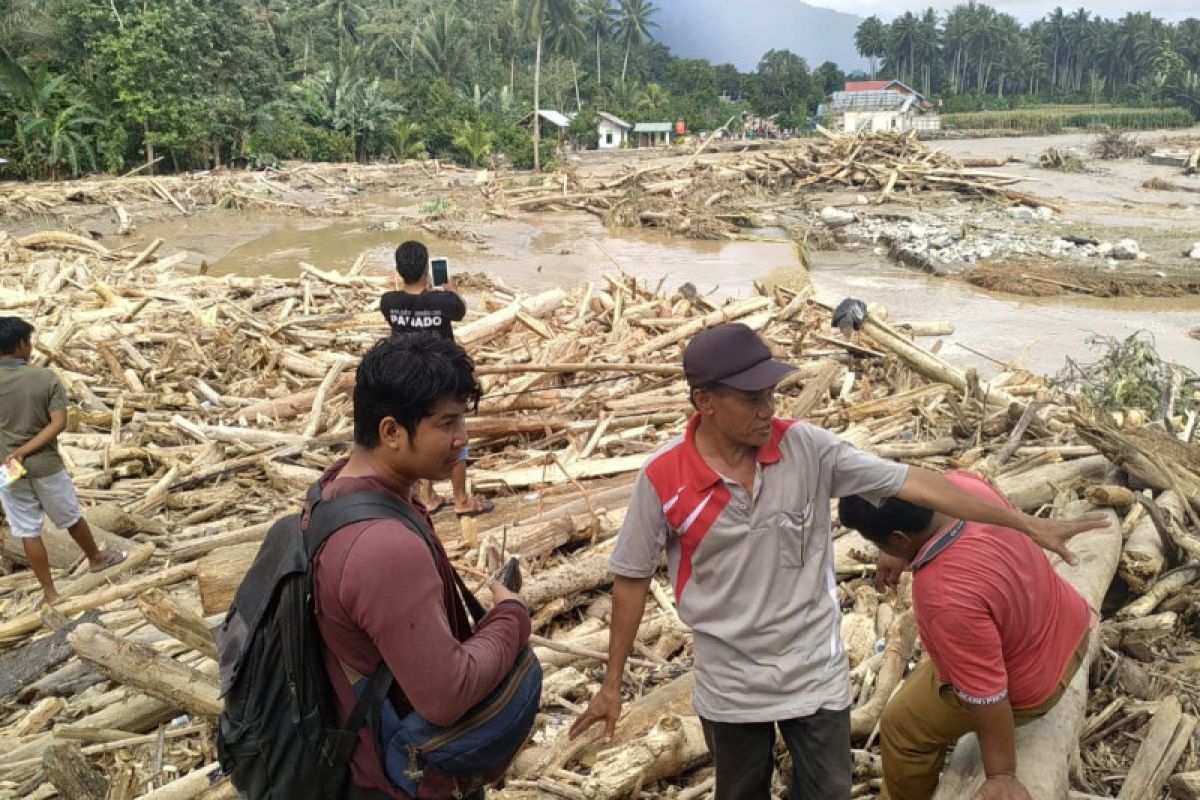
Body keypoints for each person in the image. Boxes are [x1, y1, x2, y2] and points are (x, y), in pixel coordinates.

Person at [568, 323, 1105, 800]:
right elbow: (632, 577)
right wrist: (612, 683)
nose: (769, 408)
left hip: (812, 664)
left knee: (828, 788)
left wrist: (1026, 524)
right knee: (740, 788)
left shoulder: (807, 448)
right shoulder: (663, 478)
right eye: (752, 398)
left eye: (772, 393)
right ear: (704, 401)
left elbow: (919, 484)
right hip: (730, 675)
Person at [312, 333, 531, 799]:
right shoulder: (382, 547)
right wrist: (511, 617)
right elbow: (447, 694)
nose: (462, 439)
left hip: (361, 757)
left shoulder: (334, 490)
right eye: (447, 423)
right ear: (391, 432)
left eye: (462, 420)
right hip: (399, 782)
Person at [839, 473, 1095, 800]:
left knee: (901, 727)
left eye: (878, 542)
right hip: (1065, 621)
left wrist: (1002, 774)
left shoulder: (943, 597)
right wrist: (898, 550)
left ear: (900, 538)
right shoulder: (965, 488)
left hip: (1035, 681)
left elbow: (986, 695)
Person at [0, 317, 126, 606]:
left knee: (26, 529)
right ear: (21, 344)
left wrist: (13, 454)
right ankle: (96, 557)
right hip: (45, 464)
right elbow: (58, 424)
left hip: (7, 471)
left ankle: (50, 593)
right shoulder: (44, 378)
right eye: (28, 342)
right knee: (70, 516)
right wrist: (26, 450)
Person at [380, 240, 492, 517]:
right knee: (455, 436)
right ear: (426, 269)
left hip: (407, 380)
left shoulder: (390, 302)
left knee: (419, 436)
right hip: (444, 380)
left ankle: (427, 496)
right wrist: (451, 290)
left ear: (399, 269)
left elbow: (409, 309)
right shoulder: (443, 302)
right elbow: (460, 310)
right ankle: (461, 499)